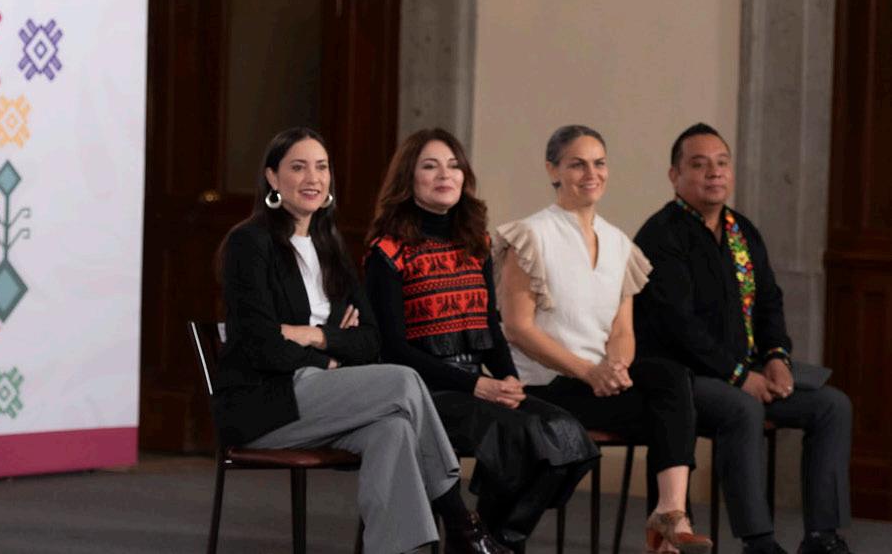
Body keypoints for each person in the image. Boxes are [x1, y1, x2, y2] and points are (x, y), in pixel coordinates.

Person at [215, 127, 508, 554]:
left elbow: (370, 341)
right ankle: (462, 523)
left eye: (321, 167)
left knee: (393, 430)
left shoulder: (329, 246)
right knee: (403, 380)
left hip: (325, 398)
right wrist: (332, 355)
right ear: (273, 178)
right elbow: (261, 344)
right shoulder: (251, 243)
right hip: (266, 404)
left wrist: (315, 335)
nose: (313, 178)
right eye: (298, 167)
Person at [363, 128, 597, 552]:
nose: (445, 175)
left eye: (454, 166)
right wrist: (477, 385)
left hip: (478, 384)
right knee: (519, 437)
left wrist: (509, 381)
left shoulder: (476, 244)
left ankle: (495, 537)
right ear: (408, 179)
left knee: (569, 436)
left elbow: (490, 328)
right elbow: (394, 349)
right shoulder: (388, 251)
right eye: (430, 166)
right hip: (425, 393)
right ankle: (484, 543)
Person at [633, 123, 854, 554]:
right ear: (675, 176)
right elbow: (679, 326)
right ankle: (759, 541)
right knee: (742, 408)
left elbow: (770, 301)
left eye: (722, 163)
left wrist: (776, 358)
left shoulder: (741, 231)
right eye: (699, 165)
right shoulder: (661, 235)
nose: (714, 172)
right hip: (683, 378)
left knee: (832, 405)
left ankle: (822, 537)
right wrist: (739, 377)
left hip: (745, 371)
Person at [492, 125, 710, 554]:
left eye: (599, 163)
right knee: (672, 419)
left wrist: (616, 367)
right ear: (553, 170)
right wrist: (590, 372)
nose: (591, 174)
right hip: (543, 387)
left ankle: (670, 513)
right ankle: (665, 534)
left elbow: (622, 331)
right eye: (577, 164)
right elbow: (518, 327)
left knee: (671, 380)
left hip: (594, 386)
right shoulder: (531, 235)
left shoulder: (618, 243)